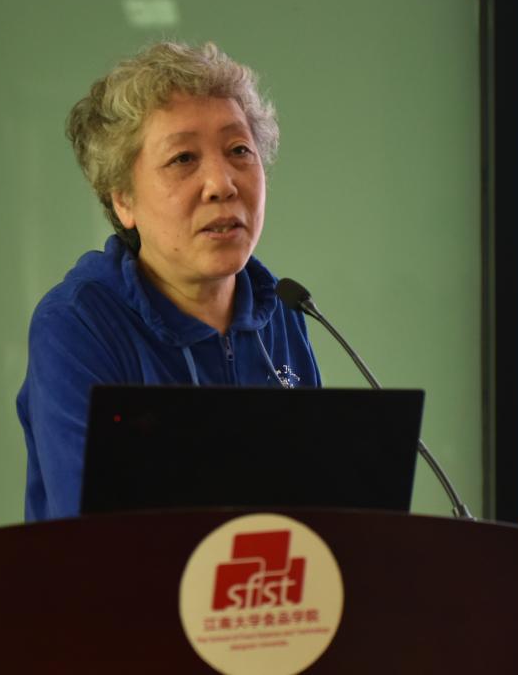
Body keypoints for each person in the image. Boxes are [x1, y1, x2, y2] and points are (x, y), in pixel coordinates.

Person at [17, 42, 321, 521]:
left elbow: (317, 505)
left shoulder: (282, 309)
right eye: (183, 159)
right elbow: (93, 534)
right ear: (123, 200)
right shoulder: (79, 324)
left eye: (239, 150)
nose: (222, 183)